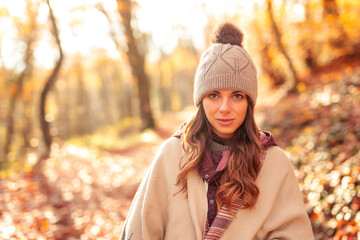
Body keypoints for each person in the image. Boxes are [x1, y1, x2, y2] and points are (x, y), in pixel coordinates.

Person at [120, 22, 314, 240]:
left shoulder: (274, 163)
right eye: (214, 95)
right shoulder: (171, 155)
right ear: (201, 99)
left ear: (249, 102)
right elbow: (140, 231)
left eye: (237, 96)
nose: (224, 108)